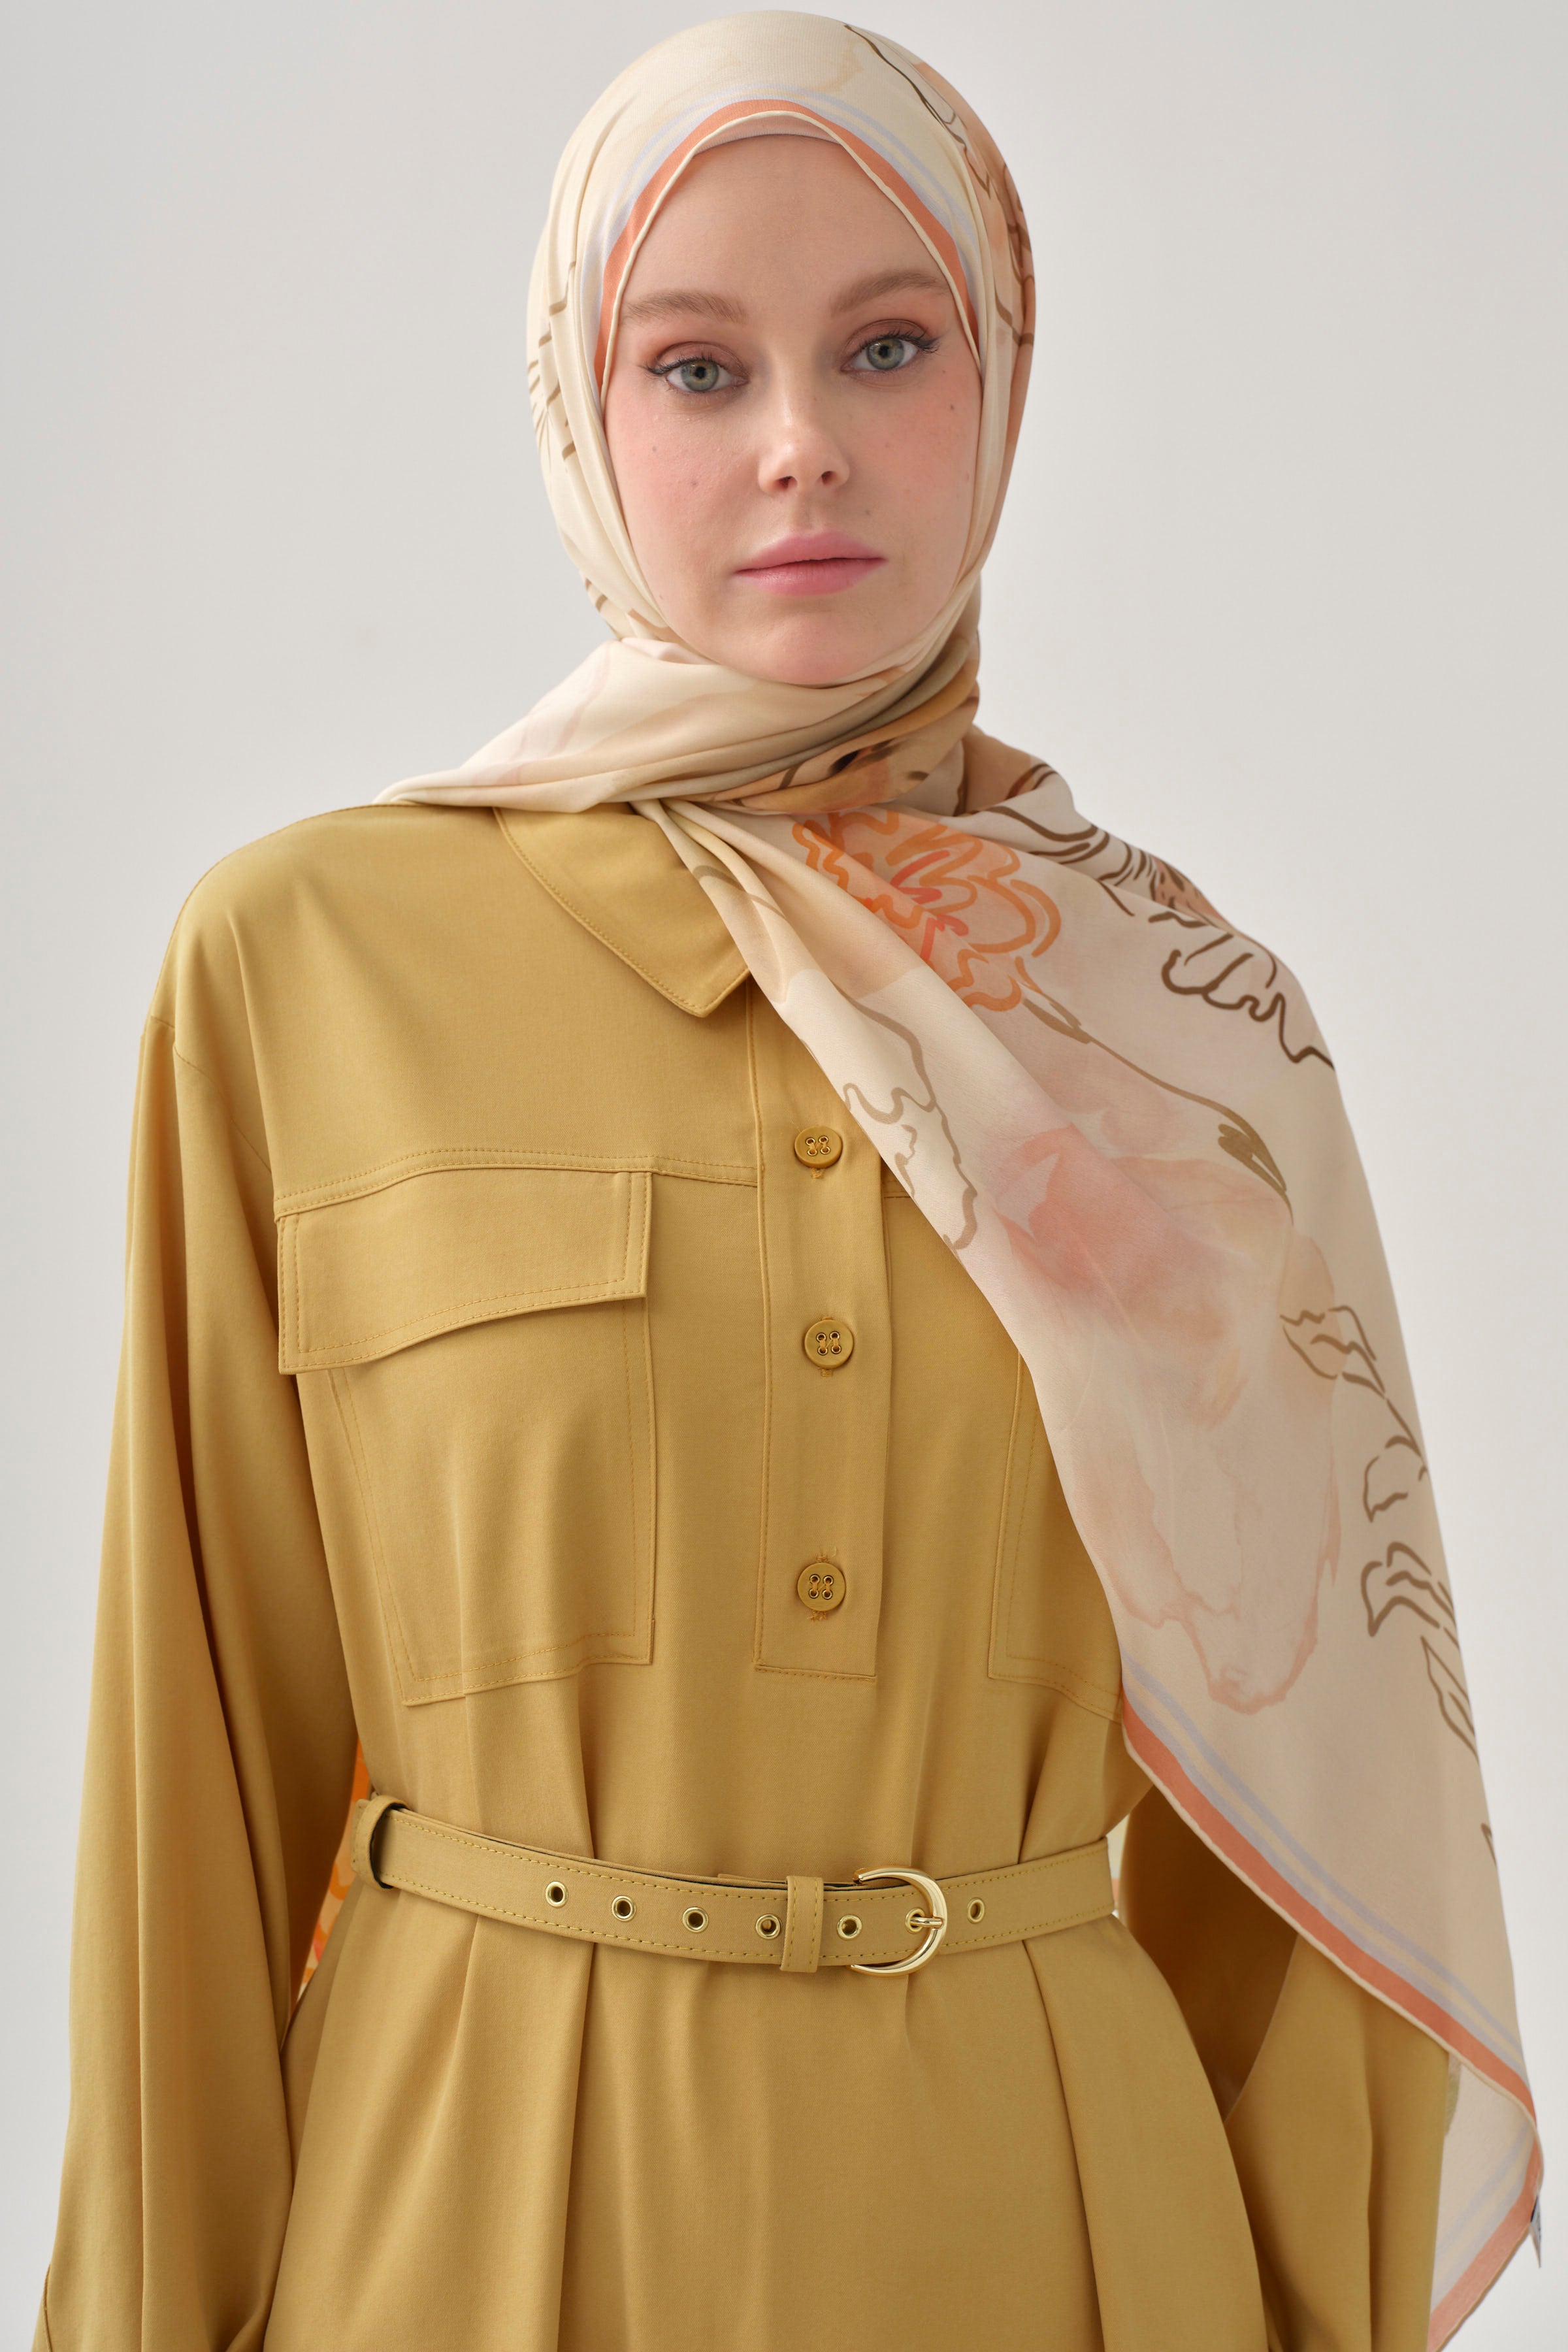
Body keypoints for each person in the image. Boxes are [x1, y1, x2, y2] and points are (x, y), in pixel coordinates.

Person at [33, 14, 1538, 2350]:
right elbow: (199, 1786)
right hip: (471, 2222)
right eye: (698, 366)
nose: (804, 442)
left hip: (1064, 2239)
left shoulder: (1184, 1037)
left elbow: (1315, 1835)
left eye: (890, 345)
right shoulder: (303, 965)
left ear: (1003, 379)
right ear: (581, 404)